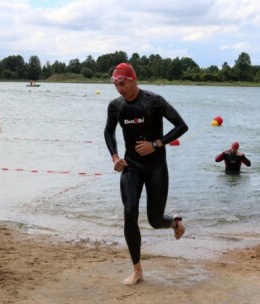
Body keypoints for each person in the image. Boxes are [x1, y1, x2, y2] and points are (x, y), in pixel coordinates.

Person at [104, 63, 188, 286]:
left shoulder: (154, 101)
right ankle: (137, 270)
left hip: (156, 167)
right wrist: (115, 157)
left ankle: (174, 223)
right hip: (131, 167)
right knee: (130, 212)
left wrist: (156, 144)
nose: (119, 89)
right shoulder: (116, 106)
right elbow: (108, 131)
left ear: (133, 79)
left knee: (154, 220)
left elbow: (181, 126)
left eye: (122, 83)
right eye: (116, 84)